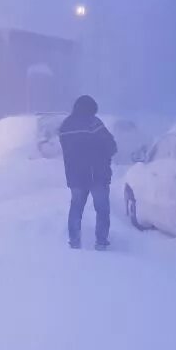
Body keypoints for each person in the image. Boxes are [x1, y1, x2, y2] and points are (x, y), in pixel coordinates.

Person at [58, 94, 118, 250]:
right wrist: (104, 156)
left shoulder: (65, 126)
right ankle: (101, 242)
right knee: (102, 210)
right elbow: (111, 145)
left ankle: (74, 241)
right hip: (96, 174)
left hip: (75, 176)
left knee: (76, 208)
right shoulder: (93, 123)